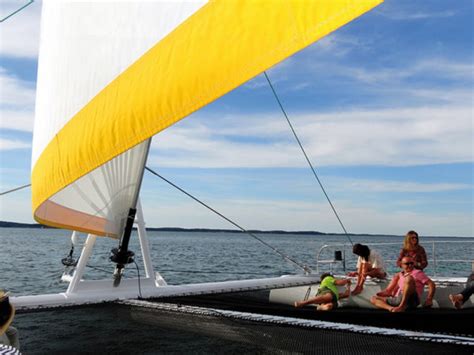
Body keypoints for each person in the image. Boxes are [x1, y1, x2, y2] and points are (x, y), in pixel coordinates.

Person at [370, 256, 435, 312]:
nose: (410, 265)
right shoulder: (400, 274)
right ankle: (392, 309)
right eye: (407, 264)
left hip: (412, 299)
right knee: (373, 298)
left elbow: (431, 284)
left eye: (411, 263)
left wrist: (429, 299)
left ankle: (402, 306)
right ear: (401, 265)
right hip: (399, 299)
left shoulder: (417, 272)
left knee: (408, 278)